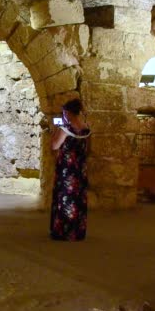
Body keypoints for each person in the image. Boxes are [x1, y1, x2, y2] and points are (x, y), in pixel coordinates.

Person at [49, 99, 91, 241]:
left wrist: (54, 131)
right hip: (80, 168)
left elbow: (54, 146)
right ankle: (78, 231)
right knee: (78, 198)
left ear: (67, 112)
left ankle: (64, 232)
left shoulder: (65, 129)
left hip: (67, 169)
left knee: (65, 199)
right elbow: (88, 149)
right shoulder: (86, 129)